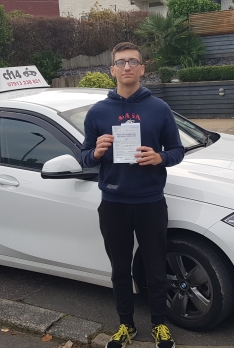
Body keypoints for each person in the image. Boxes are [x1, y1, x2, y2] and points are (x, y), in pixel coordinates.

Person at [81, 42, 184, 348]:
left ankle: (159, 325)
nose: (127, 67)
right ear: (112, 70)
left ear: (142, 68)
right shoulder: (98, 112)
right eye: (121, 62)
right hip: (113, 203)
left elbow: (178, 150)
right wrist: (96, 153)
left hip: (150, 201)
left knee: (155, 269)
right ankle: (126, 325)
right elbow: (84, 156)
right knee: (120, 270)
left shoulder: (159, 108)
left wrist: (160, 158)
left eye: (133, 62)